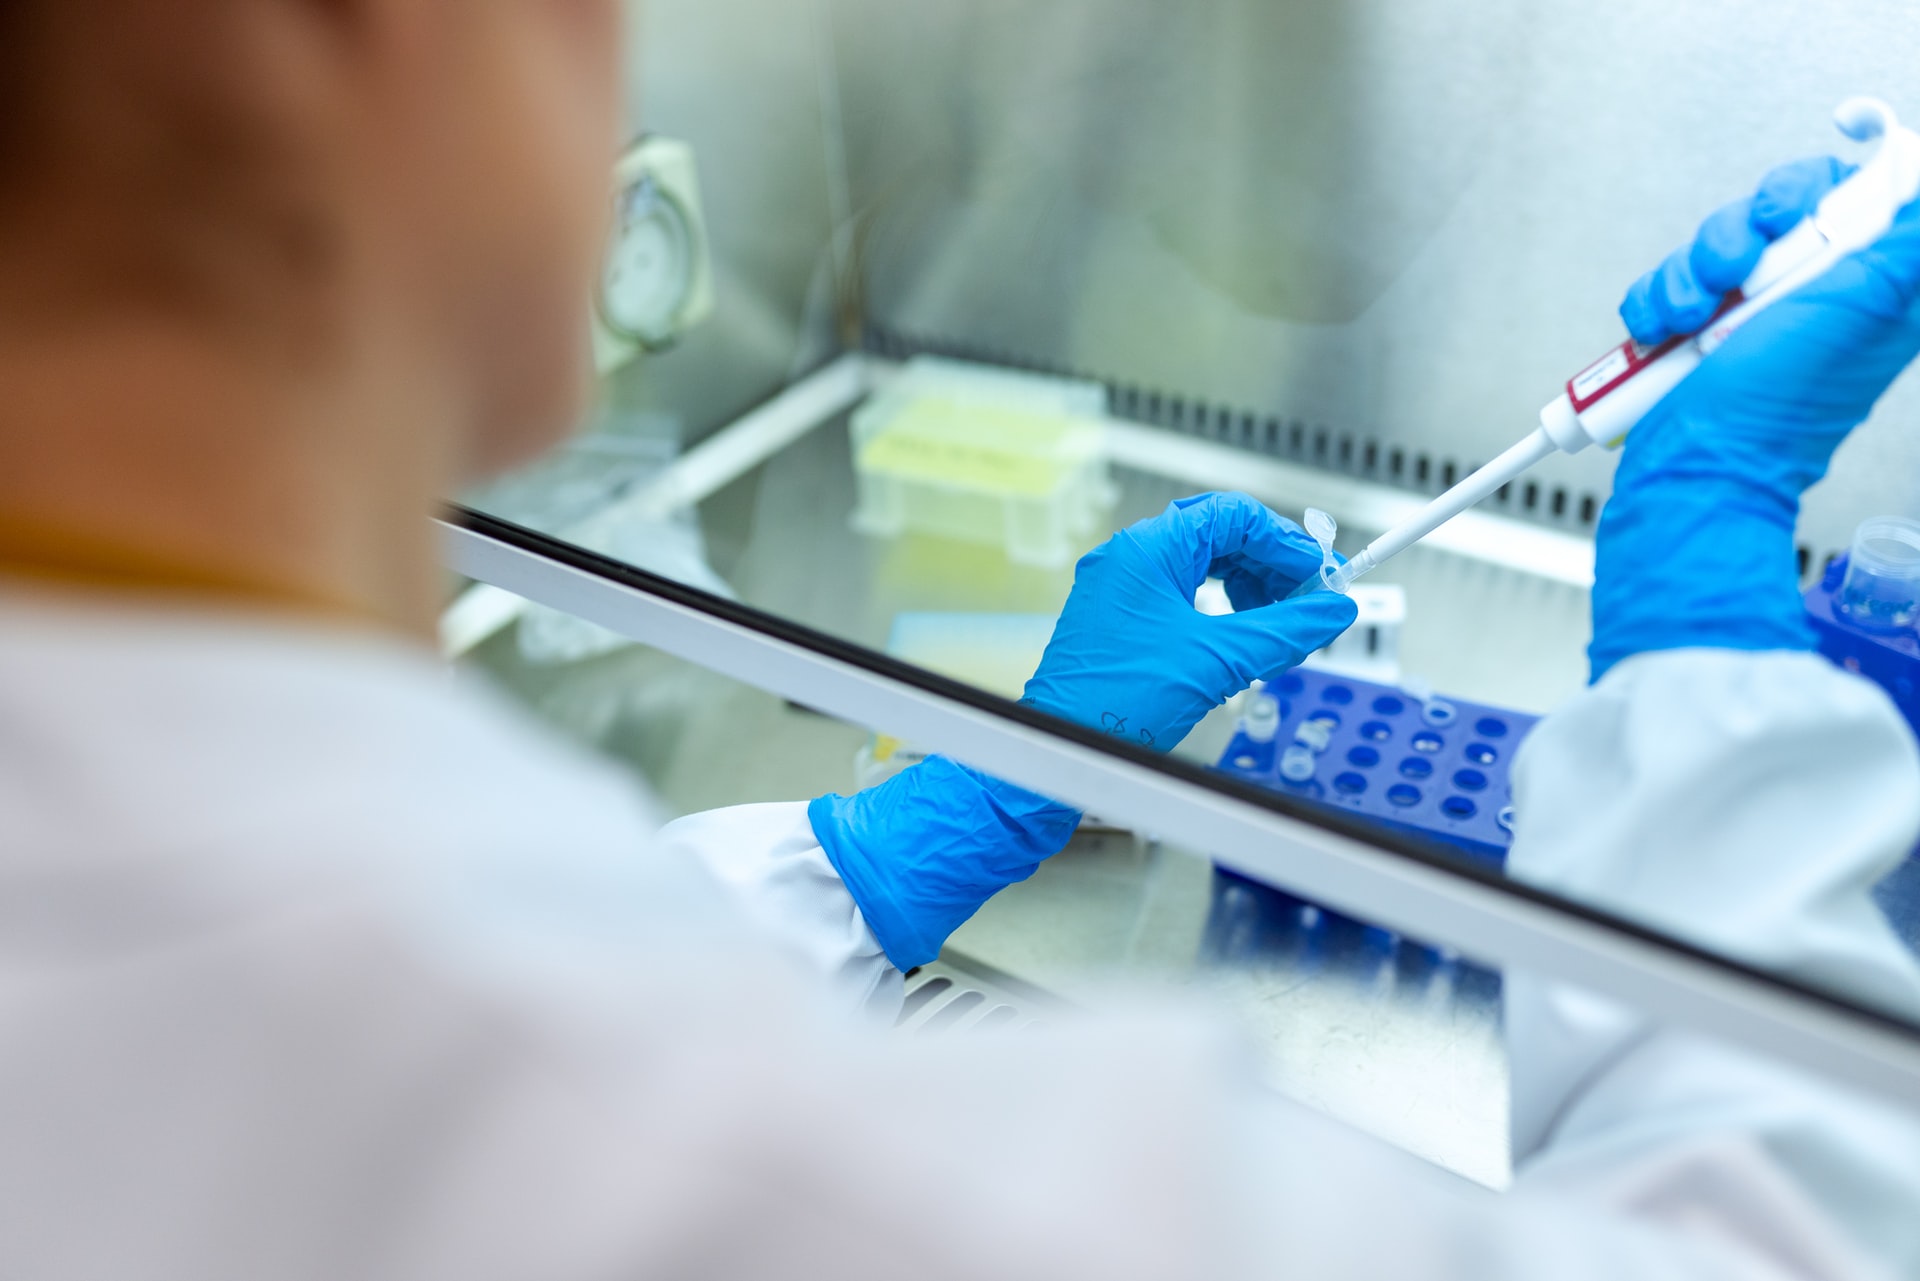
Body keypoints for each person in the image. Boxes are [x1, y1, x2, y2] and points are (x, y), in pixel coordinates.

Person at [1, 1, 1918, 1276]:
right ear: (332, 50)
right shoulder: (750, 1169)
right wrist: (1697, 598)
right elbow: (1774, 1242)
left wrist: (884, 842)